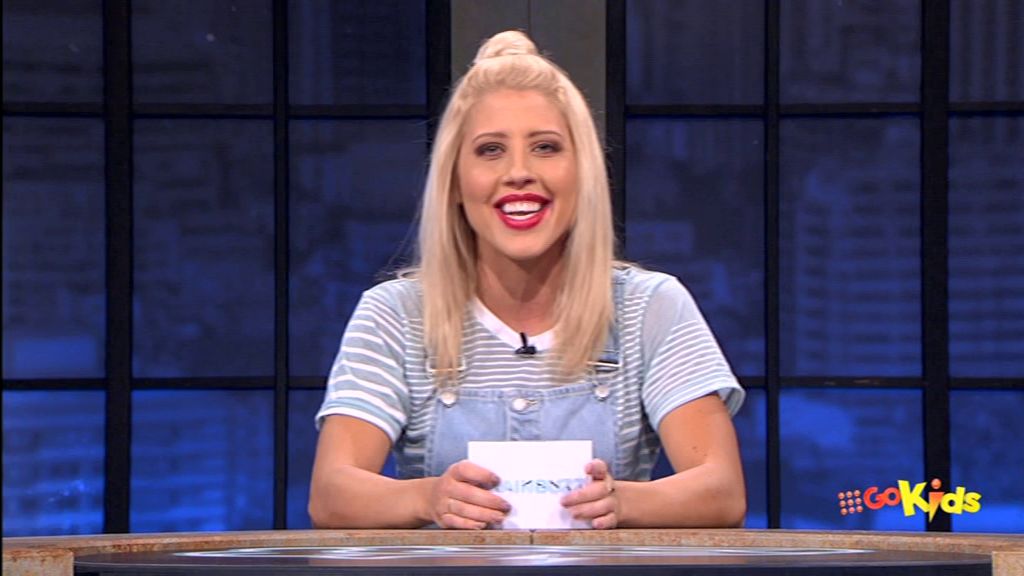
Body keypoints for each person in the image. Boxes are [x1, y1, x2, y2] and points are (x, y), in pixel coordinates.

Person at [309, 30, 746, 530]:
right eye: (490, 150)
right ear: (455, 181)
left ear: (582, 173)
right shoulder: (395, 314)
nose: (519, 172)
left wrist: (625, 503)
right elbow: (332, 495)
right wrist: (428, 498)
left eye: (545, 147)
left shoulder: (650, 307)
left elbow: (721, 490)